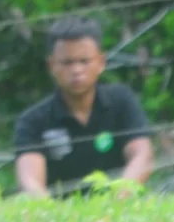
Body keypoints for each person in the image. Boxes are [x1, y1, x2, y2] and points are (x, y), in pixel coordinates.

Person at [12, 16, 154, 197]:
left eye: (84, 61)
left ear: (101, 62)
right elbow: (30, 182)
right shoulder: (33, 121)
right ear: (51, 65)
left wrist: (118, 199)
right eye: (67, 63)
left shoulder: (122, 101)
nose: (76, 70)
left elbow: (142, 156)